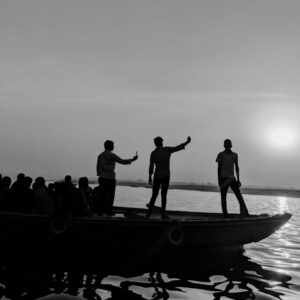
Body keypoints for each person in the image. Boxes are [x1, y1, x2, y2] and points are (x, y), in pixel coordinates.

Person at [146, 136, 191, 219]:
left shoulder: (153, 153)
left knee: (154, 195)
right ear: (162, 142)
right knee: (164, 195)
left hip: (157, 176)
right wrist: (187, 142)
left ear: (155, 143)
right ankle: (163, 214)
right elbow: (178, 147)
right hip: (166, 175)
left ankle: (149, 213)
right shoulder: (167, 150)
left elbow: (151, 166)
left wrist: (149, 176)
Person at [96, 140, 138, 215]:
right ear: (109, 146)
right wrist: (133, 159)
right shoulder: (112, 155)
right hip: (110, 178)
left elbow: (98, 168)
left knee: (101, 196)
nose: (113, 147)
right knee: (110, 196)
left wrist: (101, 174)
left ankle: (100, 211)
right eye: (112, 145)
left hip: (102, 178)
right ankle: (108, 211)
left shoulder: (100, 156)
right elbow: (122, 161)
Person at [216, 139, 249, 218]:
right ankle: (225, 215)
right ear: (224, 146)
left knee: (239, 196)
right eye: (226, 144)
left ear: (231, 146)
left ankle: (245, 214)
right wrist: (219, 180)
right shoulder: (221, 155)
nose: (227, 146)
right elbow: (219, 168)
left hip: (232, 179)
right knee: (223, 198)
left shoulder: (235, 155)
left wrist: (238, 179)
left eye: (228, 144)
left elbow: (236, 167)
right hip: (223, 178)